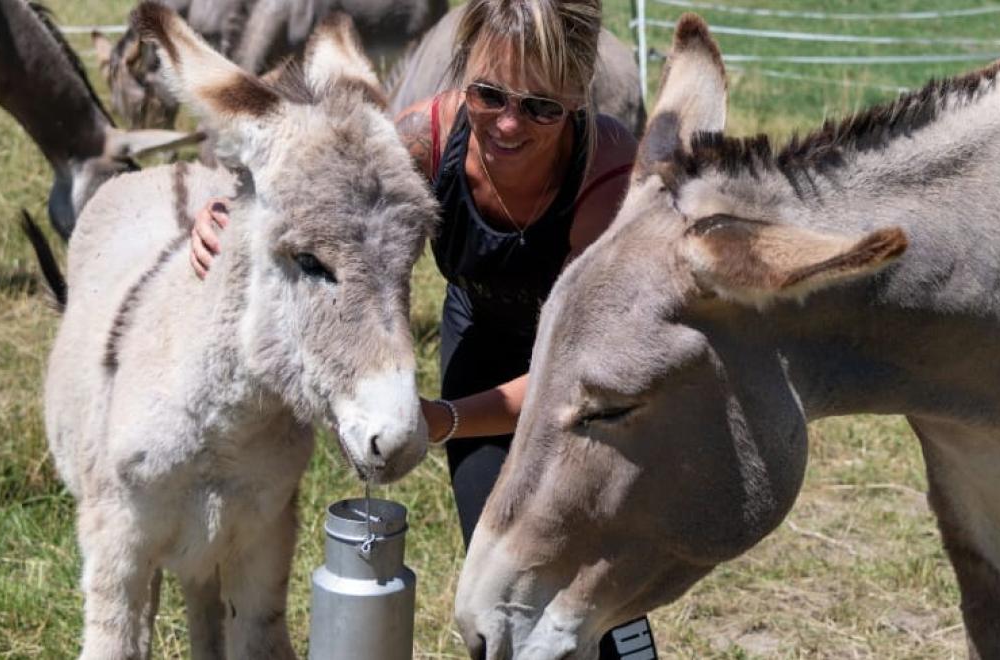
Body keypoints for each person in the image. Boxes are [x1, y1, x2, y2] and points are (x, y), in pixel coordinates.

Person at [190, 1, 657, 656]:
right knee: (501, 581)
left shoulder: (607, 175)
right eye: (489, 94)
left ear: (579, 96)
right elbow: (315, 188)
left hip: (593, 379)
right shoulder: (421, 142)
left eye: (542, 107)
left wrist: (444, 420)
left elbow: (578, 377)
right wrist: (230, 213)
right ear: (462, 74)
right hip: (483, 344)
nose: (509, 123)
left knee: (592, 574)